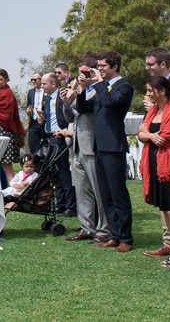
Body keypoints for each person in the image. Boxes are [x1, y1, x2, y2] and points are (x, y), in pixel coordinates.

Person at [76, 49, 134, 252]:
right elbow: (83, 108)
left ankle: (126, 237)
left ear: (114, 66)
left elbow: (110, 102)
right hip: (99, 146)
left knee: (118, 193)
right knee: (106, 193)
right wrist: (82, 89)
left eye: (102, 66)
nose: (98, 69)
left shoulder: (123, 87)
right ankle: (115, 234)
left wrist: (99, 83)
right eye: (98, 66)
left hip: (113, 147)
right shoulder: (103, 88)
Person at [136, 74, 170, 269]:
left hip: (168, 165)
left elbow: (165, 138)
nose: (147, 95)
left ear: (162, 91)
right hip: (153, 163)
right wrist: (149, 135)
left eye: (150, 90)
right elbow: (140, 134)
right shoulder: (154, 110)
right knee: (164, 208)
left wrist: (148, 134)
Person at [61, 54, 109, 243]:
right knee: (82, 191)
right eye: (80, 73)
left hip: (92, 145)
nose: (81, 77)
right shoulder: (81, 91)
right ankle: (86, 227)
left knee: (99, 191)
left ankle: (104, 229)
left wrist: (80, 92)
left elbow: (88, 112)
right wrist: (67, 103)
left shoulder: (99, 91)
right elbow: (71, 117)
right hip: (77, 147)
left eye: (85, 73)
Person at [39, 73, 75, 214]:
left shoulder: (61, 97)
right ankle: (60, 203)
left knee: (63, 171)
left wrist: (64, 130)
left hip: (60, 137)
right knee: (54, 173)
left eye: (44, 84)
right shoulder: (47, 99)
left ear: (53, 84)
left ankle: (70, 205)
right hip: (49, 137)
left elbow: (68, 115)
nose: (42, 87)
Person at [0, 69, 24, 181]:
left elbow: (6, 116)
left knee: (7, 167)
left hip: (5, 132)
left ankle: (14, 192)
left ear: (6, 79)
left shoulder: (7, 93)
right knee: (2, 165)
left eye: (0, 79)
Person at [25, 72, 45, 153]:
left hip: (44, 122)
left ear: (41, 80)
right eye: (32, 80)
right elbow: (28, 105)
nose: (33, 82)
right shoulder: (31, 92)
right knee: (33, 148)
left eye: (35, 80)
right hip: (33, 123)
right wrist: (28, 110)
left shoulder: (46, 91)